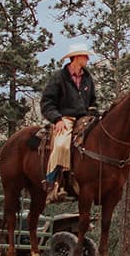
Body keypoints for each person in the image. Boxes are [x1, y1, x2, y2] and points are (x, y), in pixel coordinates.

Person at [40, 42, 98, 202]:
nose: (87, 59)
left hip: (84, 118)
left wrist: (93, 113)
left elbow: (93, 101)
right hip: (65, 118)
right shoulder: (59, 77)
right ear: (76, 58)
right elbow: (47, 102)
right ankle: (52, 182)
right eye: (85, 56)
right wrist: (57, 119)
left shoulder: (87, 78)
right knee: (61, 144)